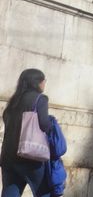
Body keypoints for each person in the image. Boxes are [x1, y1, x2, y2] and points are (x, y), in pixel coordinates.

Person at [2, 68, 53, 197]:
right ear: (37, 82)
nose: (44, 83)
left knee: (10, 192)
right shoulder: (40, 99)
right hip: (29, 156)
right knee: (44, 192)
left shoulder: (13, 102)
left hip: (8, 156)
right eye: (43, 80)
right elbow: (44, 124)